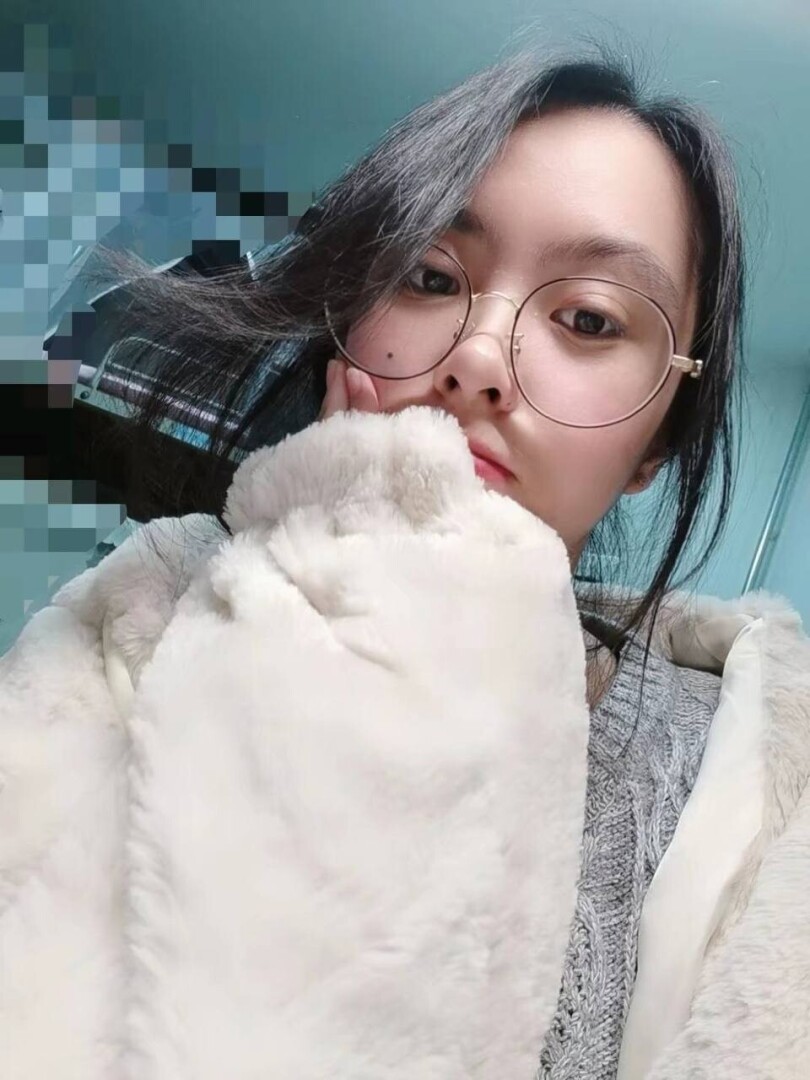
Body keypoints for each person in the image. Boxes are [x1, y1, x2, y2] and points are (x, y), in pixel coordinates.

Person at [2, 42, 810, 1080]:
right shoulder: (143, 614)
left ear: (658, 441)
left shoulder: (743, 772)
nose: (477, 357)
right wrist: (370, 563)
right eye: (430, 276)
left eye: (588, 319)